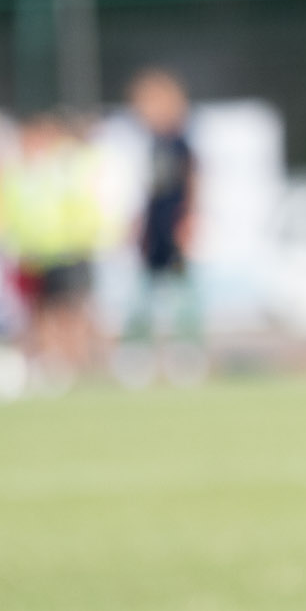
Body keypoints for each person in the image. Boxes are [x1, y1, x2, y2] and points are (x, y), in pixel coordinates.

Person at [0, 112, 105, 392]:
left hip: (68, 248)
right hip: (34, 253)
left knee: (71, 309)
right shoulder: (16, 172)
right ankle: (51, 365)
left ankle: (77, 363)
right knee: (40, 311)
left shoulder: (63, 167)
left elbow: (79, 204)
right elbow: (9, 212)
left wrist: (81, 237)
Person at [116, 69, 204, 387]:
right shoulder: (152, 143)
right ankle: (136, 355)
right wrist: (138, 224)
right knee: (143, 295)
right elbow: (150, 191)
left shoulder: (180, 141)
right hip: (153, 232)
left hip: (174, 229)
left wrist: (190, 218)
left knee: (183, 296)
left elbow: (193, 180)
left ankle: (187, 354)